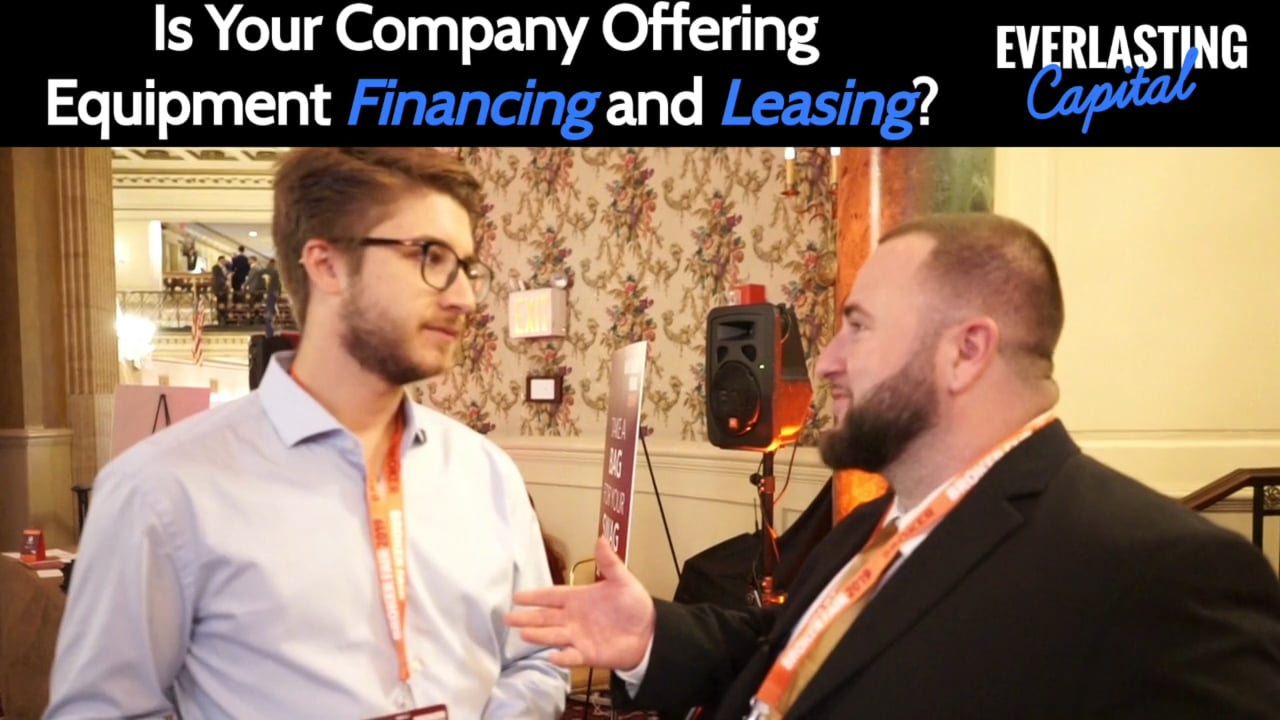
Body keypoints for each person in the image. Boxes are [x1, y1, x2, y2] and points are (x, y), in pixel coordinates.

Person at [506, 212, 1280, 719]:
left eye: (859, 326)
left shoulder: (1160, 574)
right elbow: (792, 650)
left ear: (966, 351)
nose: (828, 361)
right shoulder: (879, 520)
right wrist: (650, 634)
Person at [45, 148, 569, 719]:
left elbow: (537, 659)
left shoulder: (488, 474)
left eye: (467, 267)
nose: (464, 296)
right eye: (430, 256)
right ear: (326, 264)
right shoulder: (159, 491)